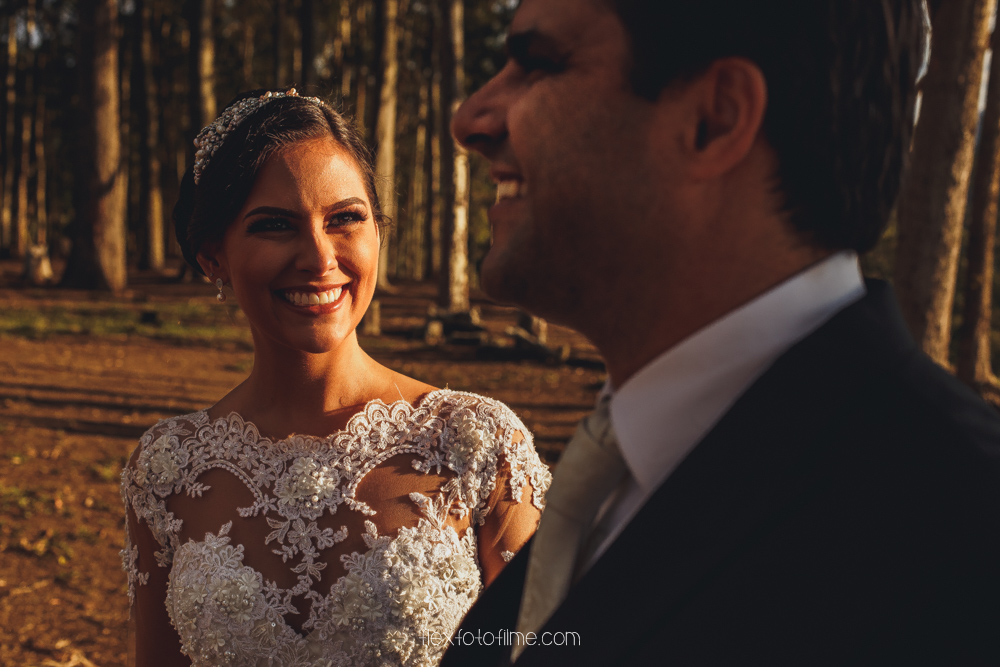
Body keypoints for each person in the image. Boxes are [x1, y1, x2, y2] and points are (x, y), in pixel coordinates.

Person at [442, 0, 1000, 665]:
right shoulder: (616, 478)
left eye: (538, 65)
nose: (470, 119)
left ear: (713, 120)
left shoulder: (962, 538)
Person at [120, 89, 551, 667]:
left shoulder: (478, 444)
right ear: (212, 257)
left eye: (345, 218)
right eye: (275, 225)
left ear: (378, 232)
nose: (320, 257)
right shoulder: (167, 470)